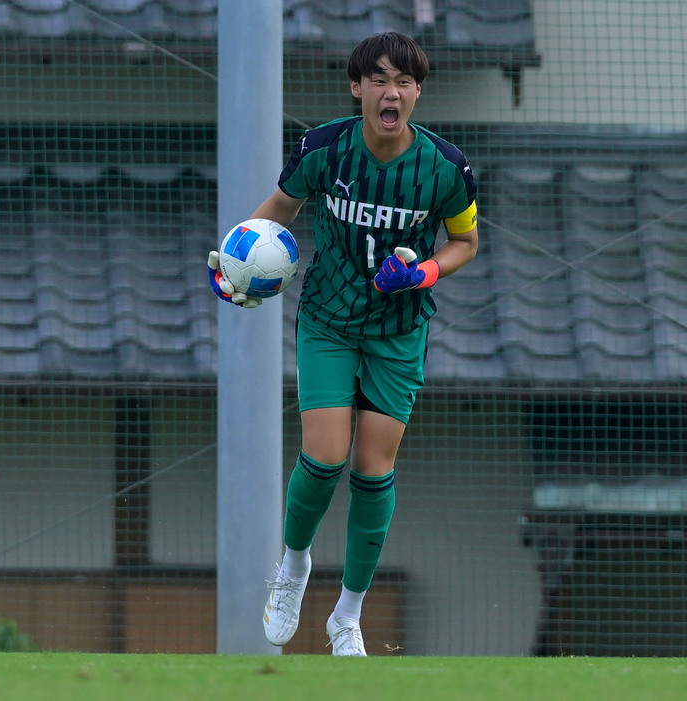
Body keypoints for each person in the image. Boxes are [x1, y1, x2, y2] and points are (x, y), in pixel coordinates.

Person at [208, 31, 478, 656]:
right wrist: (235, 261)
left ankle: (347, 616)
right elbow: (277, 208)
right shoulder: (324, 148)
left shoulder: (445, 169)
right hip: (327, 320)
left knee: (372, 470)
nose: (393, 91)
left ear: (417, 93)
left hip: (398, 331)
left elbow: (465, 242)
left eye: (405, 81)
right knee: (325, 458)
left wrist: (424, 272)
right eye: (379, 79)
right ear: (357, 88)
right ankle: (293, 568)